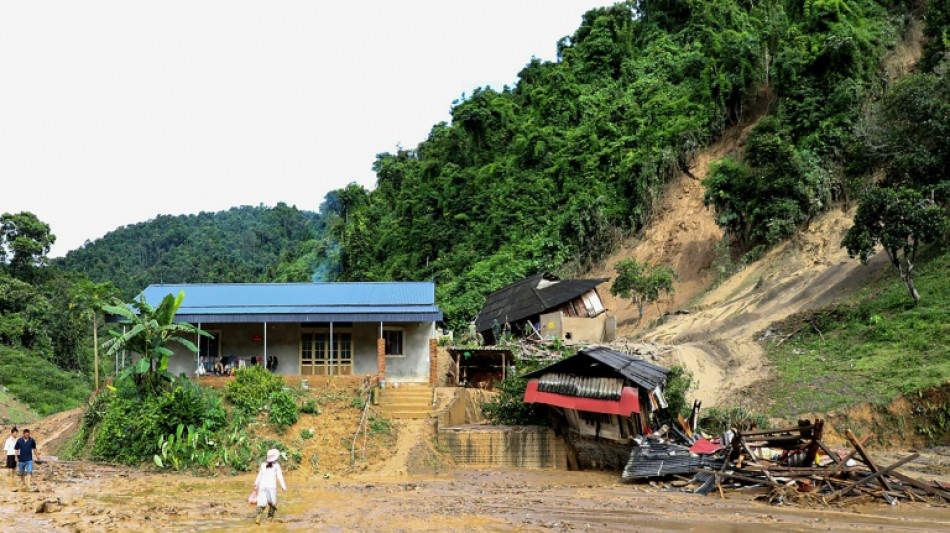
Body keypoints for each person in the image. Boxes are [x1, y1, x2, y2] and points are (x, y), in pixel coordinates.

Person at [253, 448, 286, 525]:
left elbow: (259, 476)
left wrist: (255, 484)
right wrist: (283, 486)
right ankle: (269, 519)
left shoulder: (263, 464)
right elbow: (279, 476)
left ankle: (258, 519)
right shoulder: (276, 465)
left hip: (262, 486)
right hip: (271, 487)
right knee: (273, 503)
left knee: (261, 503)